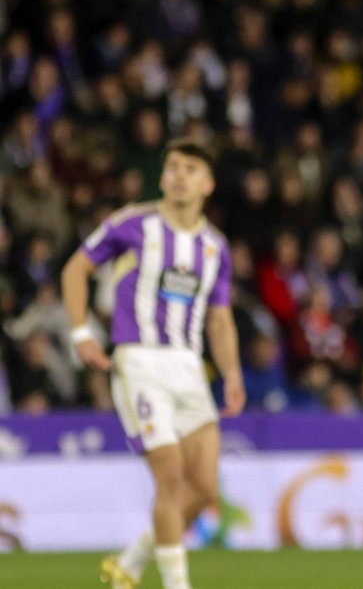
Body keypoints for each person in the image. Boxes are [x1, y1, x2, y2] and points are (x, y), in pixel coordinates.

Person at [61, 139, 243, 589]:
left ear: (208, 183)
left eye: (190, 168)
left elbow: (219, 319)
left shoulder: (214, 247)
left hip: (189, 367)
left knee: (202, 490)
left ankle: (130, 563)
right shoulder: (131, 224)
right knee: (171, 481)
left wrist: (233, 373)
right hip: (139, 362)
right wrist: (81, 334)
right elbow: (75, 269)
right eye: (173, 167)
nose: (180, 175)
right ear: (162, 177)